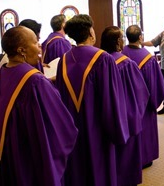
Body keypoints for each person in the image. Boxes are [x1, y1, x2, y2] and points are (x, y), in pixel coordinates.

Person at [0, 26, 78, 186]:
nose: (40, 46)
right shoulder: (34, 81)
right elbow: (60, 126)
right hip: (31, 158)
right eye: (36, 43)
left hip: (10, 154)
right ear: (22, 50)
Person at [55, 14, 129, 186]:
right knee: (99, 170)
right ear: (90, 32)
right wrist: (118, 131)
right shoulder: (103, 58)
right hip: (98, 129)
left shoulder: (63, 60)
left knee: (78, 170)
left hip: (71, 128)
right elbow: (111, 99)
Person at [100, 26, 149, 186]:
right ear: (117, 42)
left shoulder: (98, 63)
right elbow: (140, 93)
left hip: (104, 116)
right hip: (126, 116)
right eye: (121, 38)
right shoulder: (126, 64)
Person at [122, 24, 164, 168]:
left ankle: (128, 158)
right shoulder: (147, 59)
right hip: (144, 105)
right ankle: (145, 158)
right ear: (140, 37)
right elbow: (156, 86)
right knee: (145, 129)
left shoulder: (119, 56)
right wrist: (154, 101)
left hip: (124, 103)